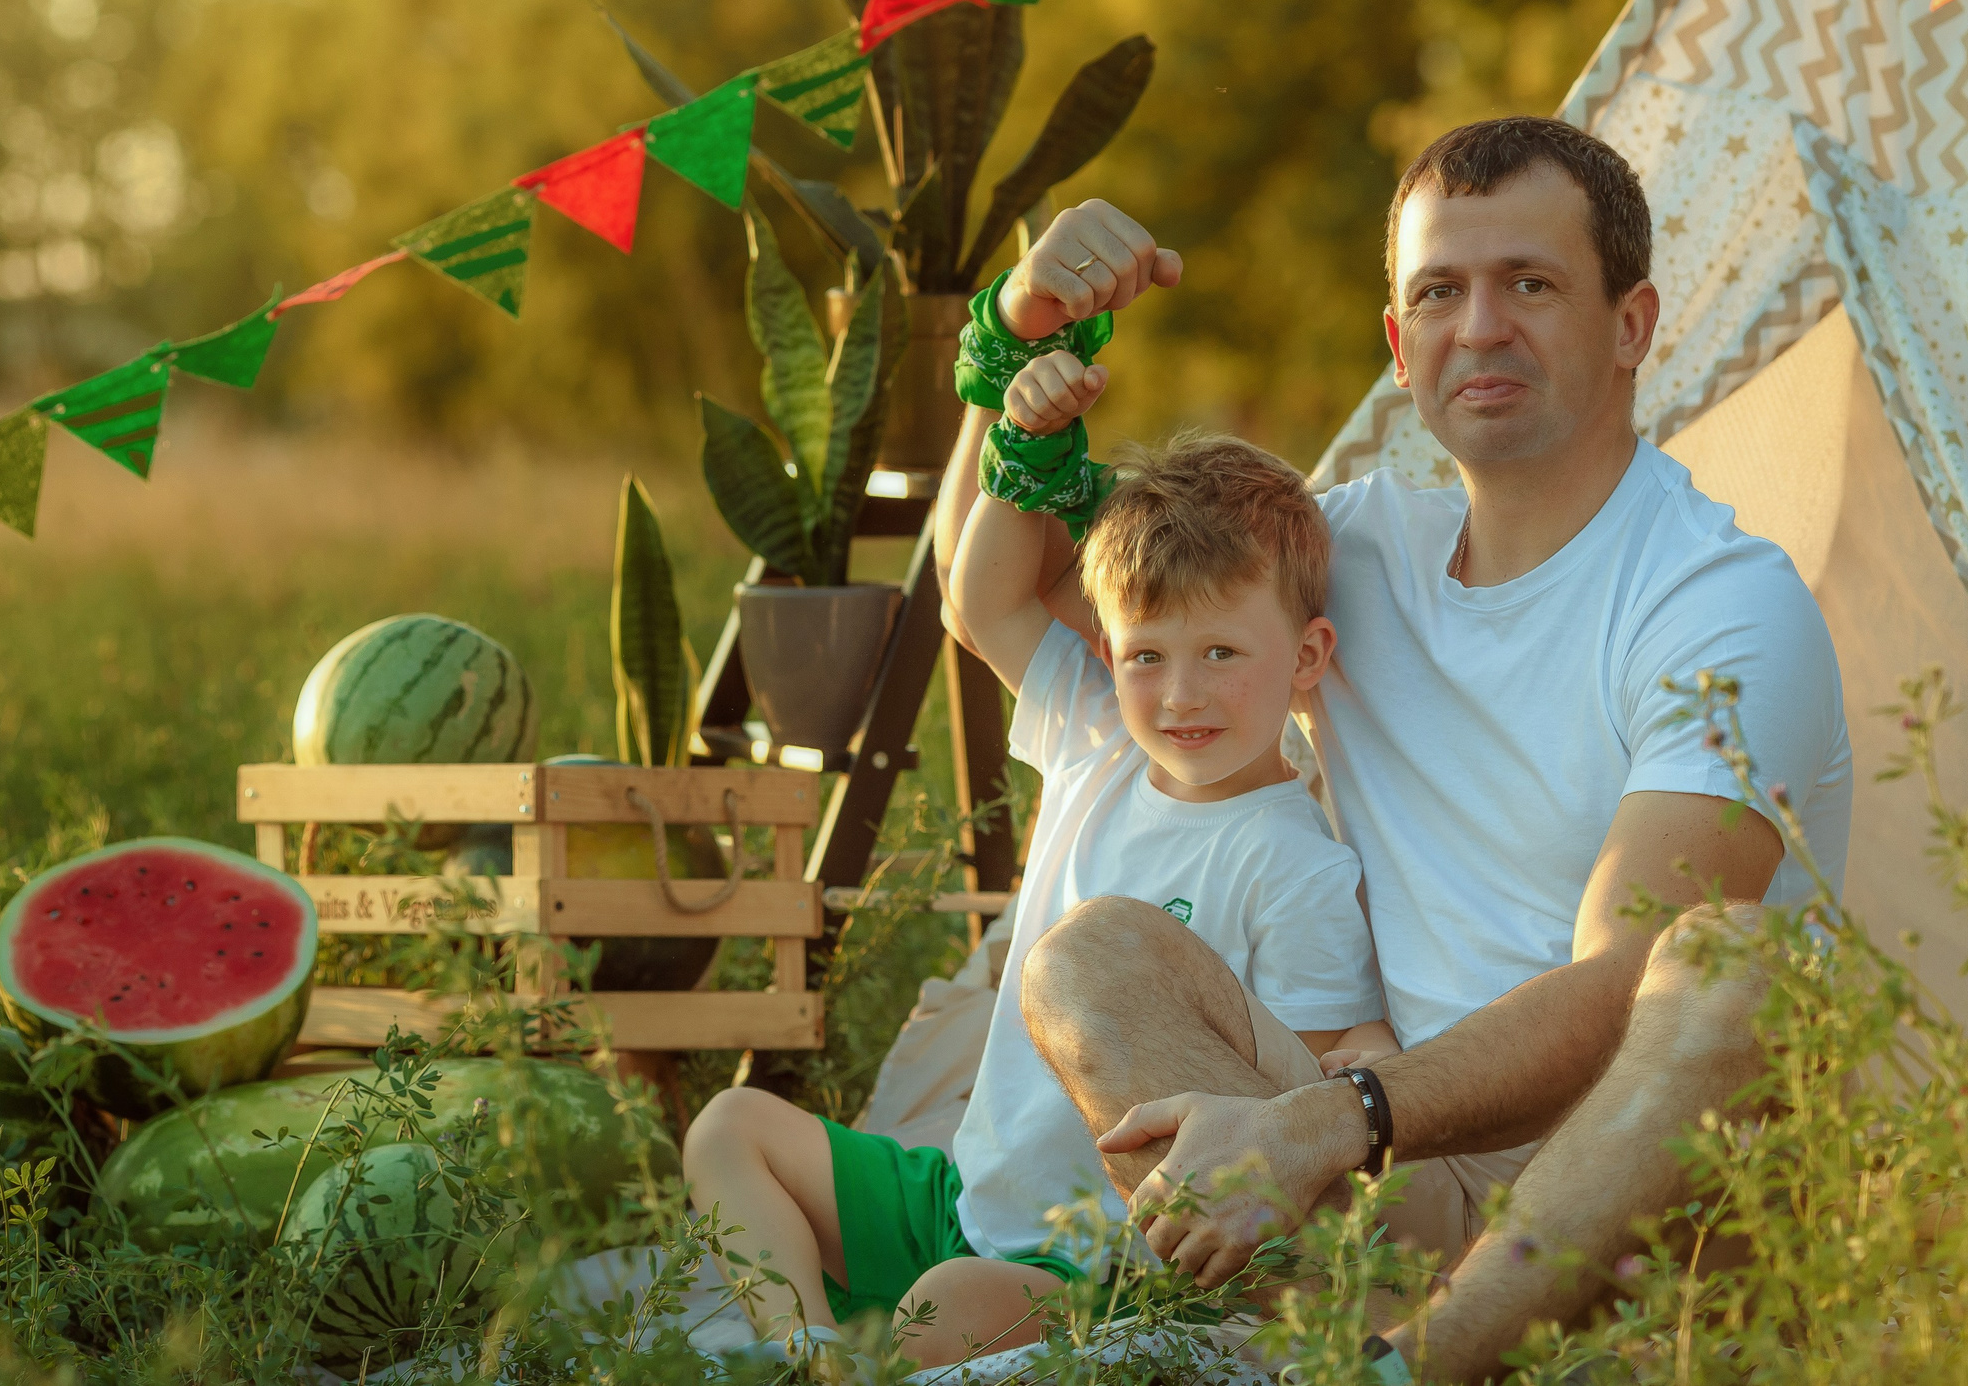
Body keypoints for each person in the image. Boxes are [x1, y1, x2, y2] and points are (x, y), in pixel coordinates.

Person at [929, 116, 1853, 1381]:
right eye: (1439, 292)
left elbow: (1623, 986)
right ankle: (1314, 1339)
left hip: (1632, 1194)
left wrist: (1332, 1119)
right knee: (1090, 958)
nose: (1478, 327)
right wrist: (1022, 345)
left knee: (1736, 966)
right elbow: (1010, 602)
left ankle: (1404, 1369)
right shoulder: (1350, 553)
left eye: (1528, 284)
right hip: (1394, 1189)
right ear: (1398, 343)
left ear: (1630, 325)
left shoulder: (1718, 603)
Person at [684, 387, 1394, 1366]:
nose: (1180, 693)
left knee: (939, 1313)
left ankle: (877, 1346)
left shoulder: (1294, 864)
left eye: (1221, 652)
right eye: (1147, 655)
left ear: (1307, 656)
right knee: (731, 1130)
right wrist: (1025, 428)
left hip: (1093, 1263)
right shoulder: (1096, 738)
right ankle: (803, 1350)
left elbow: (1301, 1083)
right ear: (1105, 654)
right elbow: (983, 598)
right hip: (964, 1195)